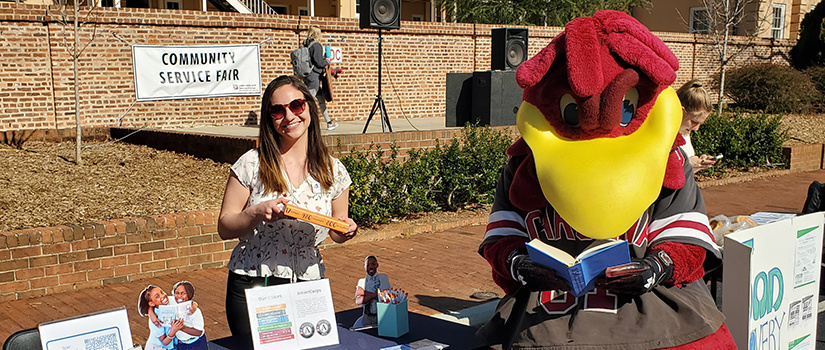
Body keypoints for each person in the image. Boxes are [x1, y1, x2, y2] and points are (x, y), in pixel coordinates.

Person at [477, 11, 735, 349]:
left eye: (626, 106)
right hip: (547, 318)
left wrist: (657, 266)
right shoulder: (525, 164)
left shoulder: (668, 160)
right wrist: (517, 263)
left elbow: (687, 242)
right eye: (573, 110)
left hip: (650, 317)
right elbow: (502, 237)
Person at [218, 75, 358, 343]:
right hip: (256, 281)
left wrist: (346, 229)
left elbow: (336, 230)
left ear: (309, 108)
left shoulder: (333, 170)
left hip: (308, 284)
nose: (289, 116)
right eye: (277, 110)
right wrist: (256, 213)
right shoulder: (252, 163)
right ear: (269, 118)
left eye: (296, 105)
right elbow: (224, 226)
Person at [677, 79, 718, 173]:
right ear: (680, 111)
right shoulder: (662, 136)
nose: (696, 128)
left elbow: (686, 177)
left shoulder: (685, 133)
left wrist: (698, 165)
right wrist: (688, 164)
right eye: (694, 121)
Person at [304, 25, 339, 131]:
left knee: (320, 99)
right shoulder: (317, 45)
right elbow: (319, 63)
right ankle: (304, 123)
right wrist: (327, 61)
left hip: (308, 75)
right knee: (308, 100)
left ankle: (329, 122)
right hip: (314, 76)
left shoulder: (306, 45)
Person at [138, 285, 183, 350]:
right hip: (157, 347)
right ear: (151, 304)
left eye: (162, 292)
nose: (162, 296)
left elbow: (185, 301)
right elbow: (164, 342)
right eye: (157, 296)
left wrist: (194, 305)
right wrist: (173, 331)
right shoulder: (156, 321)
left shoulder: (170, 301)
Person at [353, 255, 391, 328]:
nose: (371, 267)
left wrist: (365, 293)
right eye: (368, 265)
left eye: (373, 264)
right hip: (367, 318)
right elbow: (358, 301)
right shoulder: (362, 282)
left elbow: (385, 297)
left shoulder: (383, 277)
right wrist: (376, 294)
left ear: (377, 265)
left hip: (381, 316)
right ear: (364, 268)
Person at [171, 281, 207, 350]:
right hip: (181, 344)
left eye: (183, 293)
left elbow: (199, 332)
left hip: (196, 344)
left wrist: (180, 327)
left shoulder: (195, 311)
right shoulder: (173, 304)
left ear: (189, 294)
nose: (179, 296)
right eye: (177, 293)